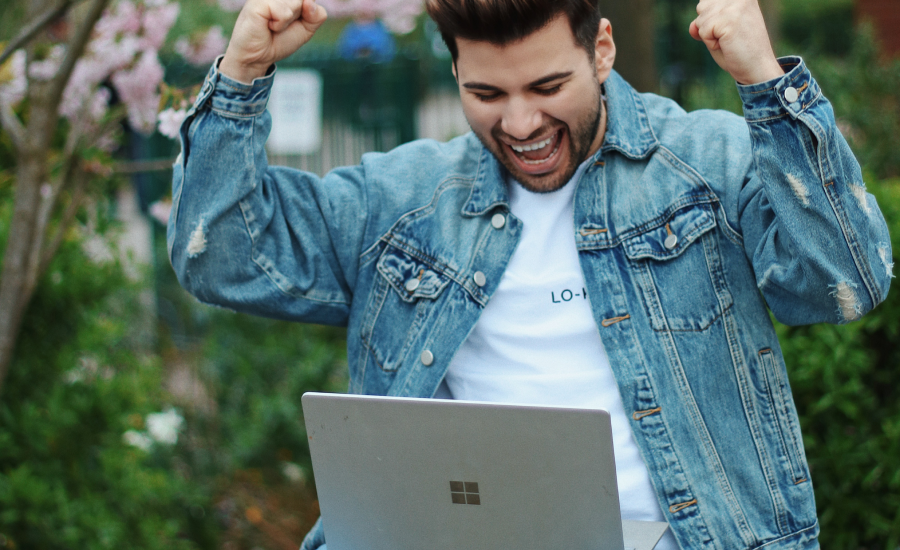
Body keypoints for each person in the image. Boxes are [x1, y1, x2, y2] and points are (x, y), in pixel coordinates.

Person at [167, 0, 893, 548]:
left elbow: (847, 279)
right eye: (487, 95)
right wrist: (242, 74)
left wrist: (765, 84)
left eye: (548, 86)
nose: (520, 124)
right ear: (455, 70)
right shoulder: (400, 202)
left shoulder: (708, 165)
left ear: (601, 50)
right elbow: (220, 254)